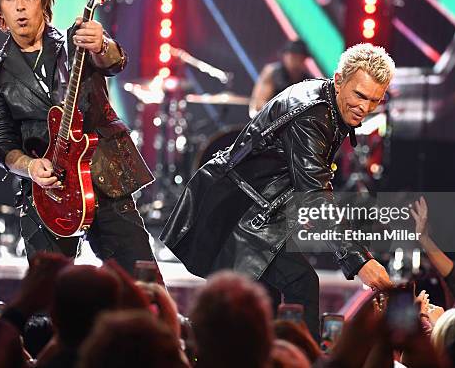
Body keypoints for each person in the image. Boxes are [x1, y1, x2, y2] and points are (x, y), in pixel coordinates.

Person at [162, 43, 395, 339]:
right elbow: (314, 194)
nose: (364, 107)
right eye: (359, 95)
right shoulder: (313, 115)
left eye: (374, 100)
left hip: (255, 209)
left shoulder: (326, 101)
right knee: (300, 284)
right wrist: (360, 260)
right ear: (339, 80)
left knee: (259, 308)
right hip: (237, 210)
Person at [0, 0, 157, 274]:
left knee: (144, 284)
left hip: (103, 176)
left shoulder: (76, 43)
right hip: (47, 192)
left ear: (43, 0)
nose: (19, 6)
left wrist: (102, 45)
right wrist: (31, 167)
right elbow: (0, 142)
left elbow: (115, 62)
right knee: (45, 300)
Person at [249, 39, 315, 117]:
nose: (295, 59)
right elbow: (259, 103)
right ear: (285, 56)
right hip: (270, 121)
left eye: (299, 57)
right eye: (292, 55)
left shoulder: (308, 81)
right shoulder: (272, 73)